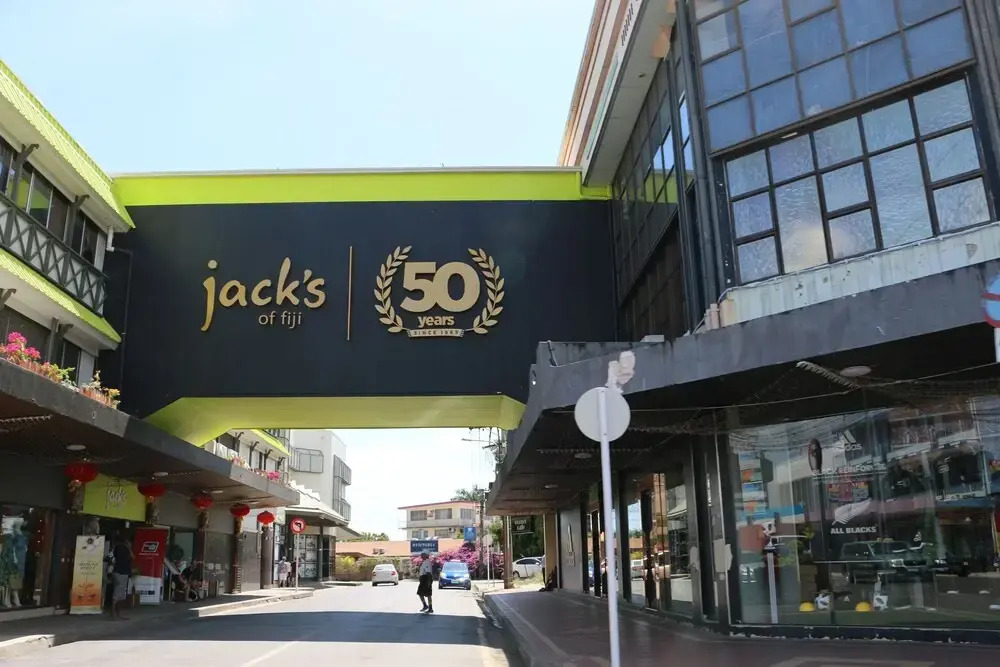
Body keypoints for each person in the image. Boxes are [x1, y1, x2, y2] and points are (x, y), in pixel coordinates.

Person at [110, 533, 133, 619]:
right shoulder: (124, 548)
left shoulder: (116, 547)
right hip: (122, 573)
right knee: (119, 595)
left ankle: (116, 614)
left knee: (117, 593)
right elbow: (132, 557)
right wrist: (129, 548)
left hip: (116, 571)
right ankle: (115, 614)